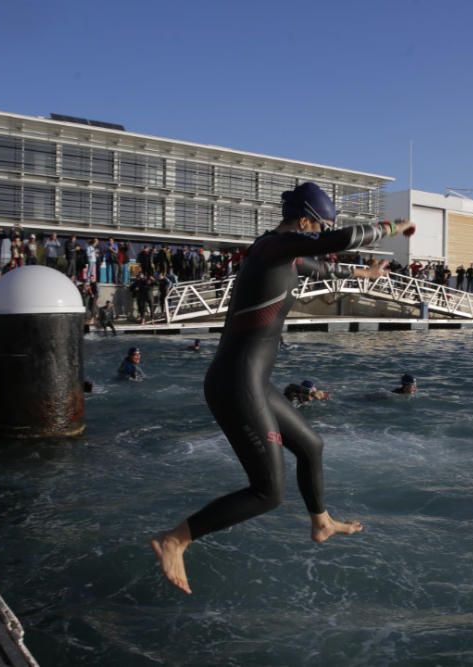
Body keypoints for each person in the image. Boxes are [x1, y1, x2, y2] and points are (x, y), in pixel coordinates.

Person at [152, 181, 414, 594]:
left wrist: (366, 272)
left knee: (311, 446)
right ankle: (176, 539)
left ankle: (321, 521)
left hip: (252, 381)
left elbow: (327, 269)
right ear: (305, 220)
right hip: (235, 382)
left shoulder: (287, 257)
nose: (321, 237)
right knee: (268, 492)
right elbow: (342, 239)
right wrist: (395, 225)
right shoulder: (273, 246)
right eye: (318, 228)